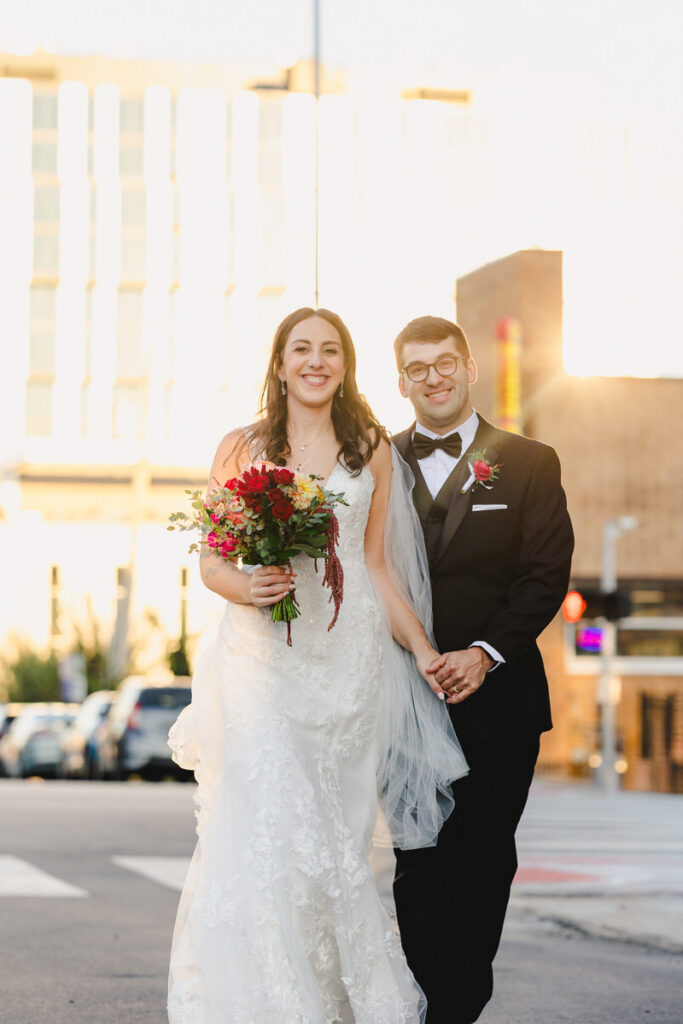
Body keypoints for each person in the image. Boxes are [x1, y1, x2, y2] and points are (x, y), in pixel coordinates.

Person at [166, 307, 468, 1024]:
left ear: (345, 365)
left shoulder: (369, 448)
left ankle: (329, 998)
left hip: (349, 660)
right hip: (262, 660)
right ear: (279, 363)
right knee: (267, 817)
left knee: (332, 837)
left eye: (330, 350)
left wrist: (422, 650)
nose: (315, 360)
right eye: (301, 348)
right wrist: (247, 585)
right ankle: (262, 1000)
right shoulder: (241, 446)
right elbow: (211, 560)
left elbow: (375, 568)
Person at [391, 315, 574, 1024]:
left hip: (500, 702)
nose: (431, 378)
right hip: (404, 698)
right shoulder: (376, 462)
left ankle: (456, 1003)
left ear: (468, 369)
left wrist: (484, 654)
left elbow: (543, 573)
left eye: (443, 363)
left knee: (483, 855)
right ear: (399, 380)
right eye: (416, 368)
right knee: (418, 860)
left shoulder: (530, 461)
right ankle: (441, 993)